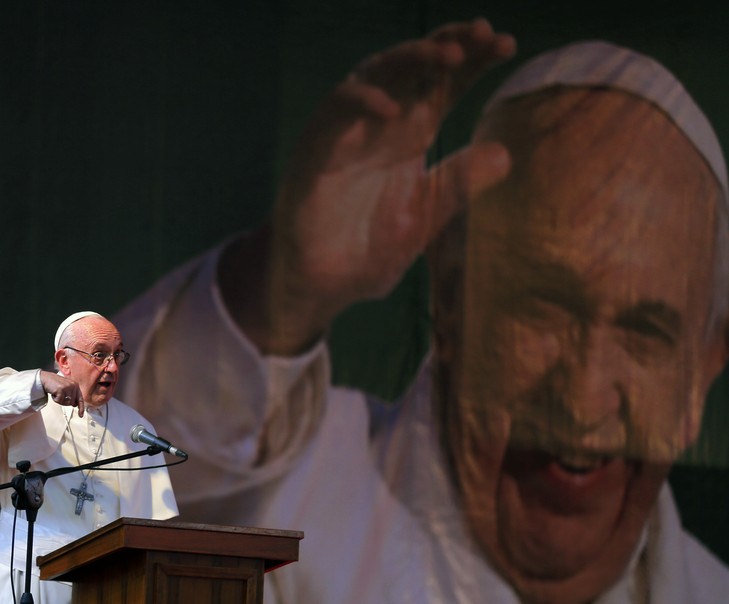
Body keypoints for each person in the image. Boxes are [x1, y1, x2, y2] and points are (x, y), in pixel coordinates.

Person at [112, 18, 729, 604]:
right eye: (543, 308)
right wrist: (286, 290)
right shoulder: (283, 505)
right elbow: (102, 495)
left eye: (646, 332)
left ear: (704, 370)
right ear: (454, 302)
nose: (583, 397)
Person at [0, 311, 178, 604]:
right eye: (99, 355)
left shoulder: (134, 428)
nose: (112, 368)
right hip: (27, 573)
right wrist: (39, 382)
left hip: (104, 584)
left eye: (117, 356)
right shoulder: (24, 404)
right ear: (64, 360)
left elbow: (152, 529)